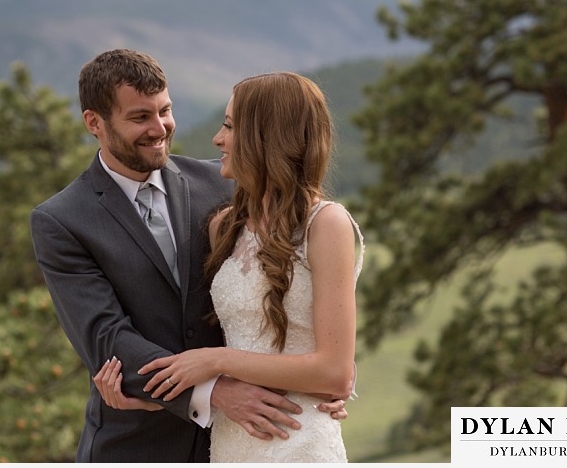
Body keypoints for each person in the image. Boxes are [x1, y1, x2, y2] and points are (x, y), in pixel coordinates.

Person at [30, 51, 348, 463]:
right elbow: (108, 339)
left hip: (261, 433)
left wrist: (324, 379)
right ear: (95, 123)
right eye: (140, 117)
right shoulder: (62, 221)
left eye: (165, 111)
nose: (159, 128)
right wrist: (214, 390)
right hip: (140, 443)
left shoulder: (225, 187)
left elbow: (296, 295)